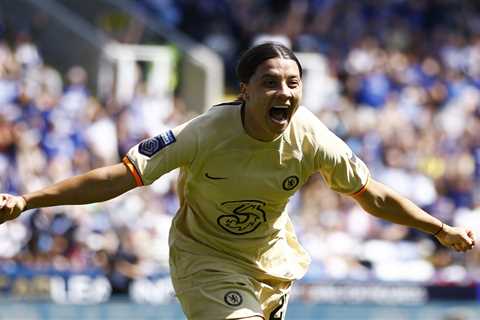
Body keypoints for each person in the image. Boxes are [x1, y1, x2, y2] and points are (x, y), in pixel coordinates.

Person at [0, 42, 475, 320]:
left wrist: (439, 230)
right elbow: (118, 179)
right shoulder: (201, 133)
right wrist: (29, 199)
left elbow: (372, 195)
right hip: (203, 260)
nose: (284, 92)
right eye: (270, 82)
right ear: (244, 90)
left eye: (293, 83)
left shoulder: (312, 136)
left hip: (272, 265)